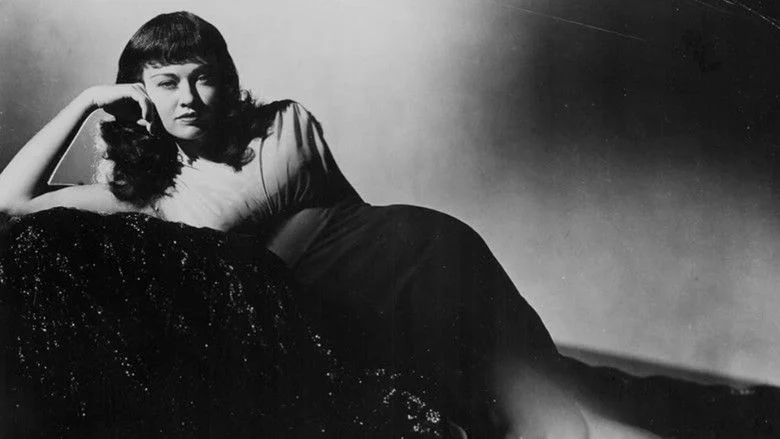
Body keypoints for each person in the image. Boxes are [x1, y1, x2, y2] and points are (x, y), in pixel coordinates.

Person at [0, 10, 777, 439]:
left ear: (229, 83)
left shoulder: (281, 128)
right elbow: (9, 202)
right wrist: (85, 104)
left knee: (558, 410)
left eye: (205, 78)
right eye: (166, 83)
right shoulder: (142, 194)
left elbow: (242, 238)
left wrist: (152, 215)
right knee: (528, 409)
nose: (189, 97)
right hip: (348, 330)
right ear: (139, 94)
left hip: (417, 267)